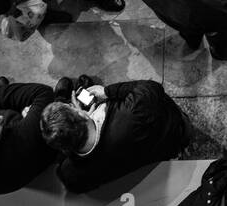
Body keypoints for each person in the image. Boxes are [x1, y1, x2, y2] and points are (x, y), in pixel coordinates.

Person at [41, 77, 192, 193]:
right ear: (83, 116)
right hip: (175, 134)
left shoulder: (71, 175)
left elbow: (70, 179)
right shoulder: (132, 113)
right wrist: (107, 91)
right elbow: (152, 88)